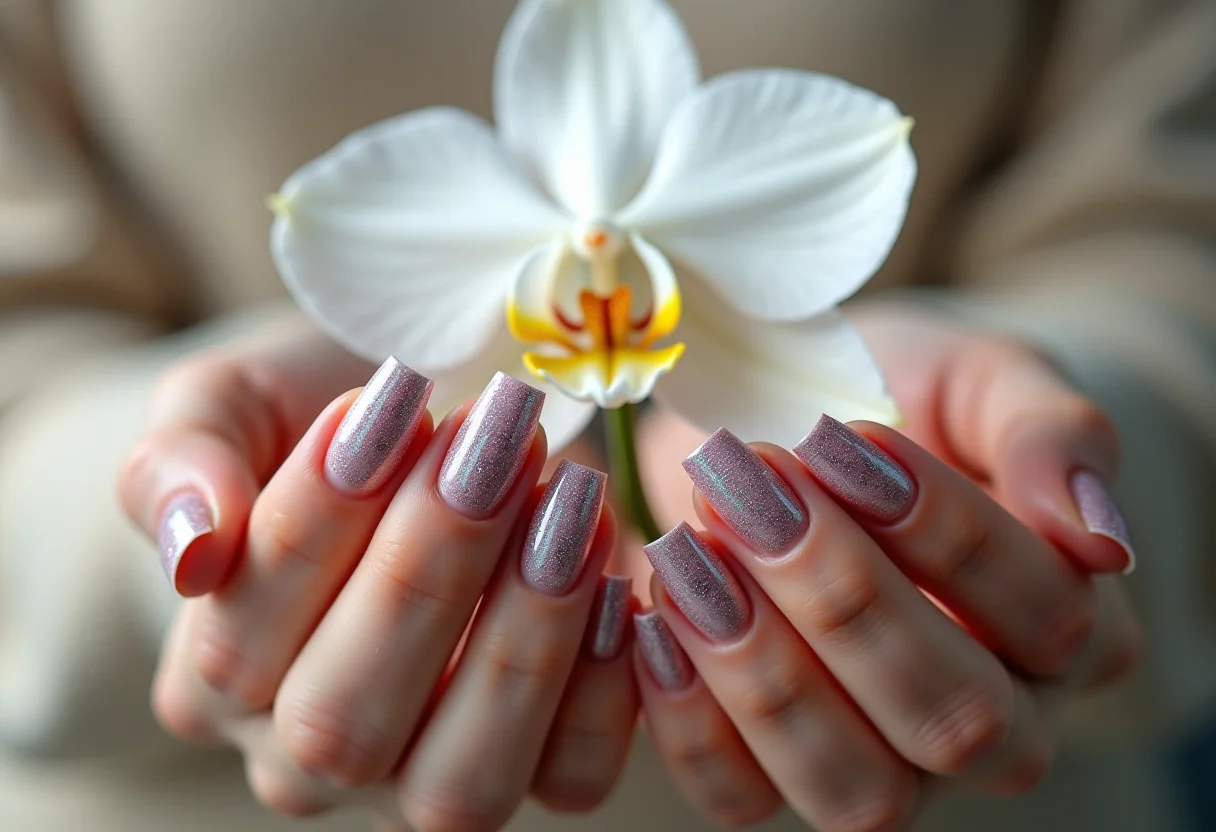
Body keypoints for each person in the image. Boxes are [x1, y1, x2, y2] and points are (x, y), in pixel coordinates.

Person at [0, 1, 1212, 830]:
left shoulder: (804, 413)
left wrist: (1060, 439)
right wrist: (202, 541)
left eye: (609, 276)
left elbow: (1171, 238)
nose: (594, 292)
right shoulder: (450, 419)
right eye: (574, 283)